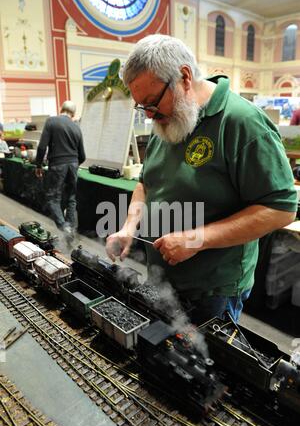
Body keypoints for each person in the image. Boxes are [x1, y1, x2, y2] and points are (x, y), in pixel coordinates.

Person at [106, 35, 297, 325]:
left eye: (152, 103)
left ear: (184, 76)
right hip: (162, 276)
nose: (148, 115)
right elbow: (146, 183)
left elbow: (281, 209)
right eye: (140, 106)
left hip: (213, 290)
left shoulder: (242, 122)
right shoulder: (166, 122)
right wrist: (128, 227)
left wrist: (197, 239)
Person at [35, 101, 86, 240]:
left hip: (57, 164)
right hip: (74, 165)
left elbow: (41, 147)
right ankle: (71, 232)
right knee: (71, 199)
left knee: (52, 198)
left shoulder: (51, 121)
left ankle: (64, 227)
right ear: (73, 114)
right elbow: (83, 155)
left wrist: (38, 165)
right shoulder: (76, 127)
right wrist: (73, 165)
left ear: (61, 109)